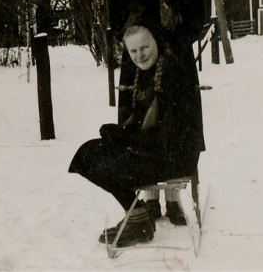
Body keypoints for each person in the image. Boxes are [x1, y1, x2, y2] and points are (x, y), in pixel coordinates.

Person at [68, 17, 204, 247]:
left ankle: (139, 220)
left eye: (145, 48)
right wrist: (119, 132)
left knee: (97, 158)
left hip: (177, 157)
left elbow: (169, 136)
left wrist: (124, 138)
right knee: (90, 153)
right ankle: (138, 215)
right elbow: (142, 123)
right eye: (133, 51)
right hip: (157, 151)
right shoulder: (145, 73)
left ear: (156, 43)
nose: (140, 55)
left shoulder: (173, 73)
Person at [108, 0, 206, 224]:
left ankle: (174, 199)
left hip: (177, 61)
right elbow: (117, 19)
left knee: (176, 127)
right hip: (138, 64)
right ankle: (148, 200)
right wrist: (142, 45)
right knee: (141, 128)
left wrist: (173, 47)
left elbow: (197, 17)